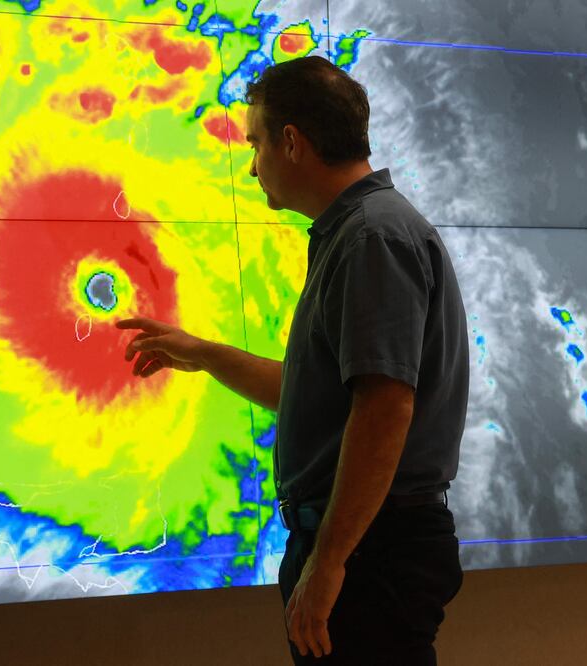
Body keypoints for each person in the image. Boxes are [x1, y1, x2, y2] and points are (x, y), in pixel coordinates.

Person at [116, 55, 469, 664]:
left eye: (254, 145)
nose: (252, 168)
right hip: (363, 546)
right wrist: (202, 353)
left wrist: (329, 562)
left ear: (292, 141)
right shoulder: (354, 233)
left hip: (370, 552)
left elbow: (385, 407)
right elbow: (317, 395)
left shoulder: (371, 238)